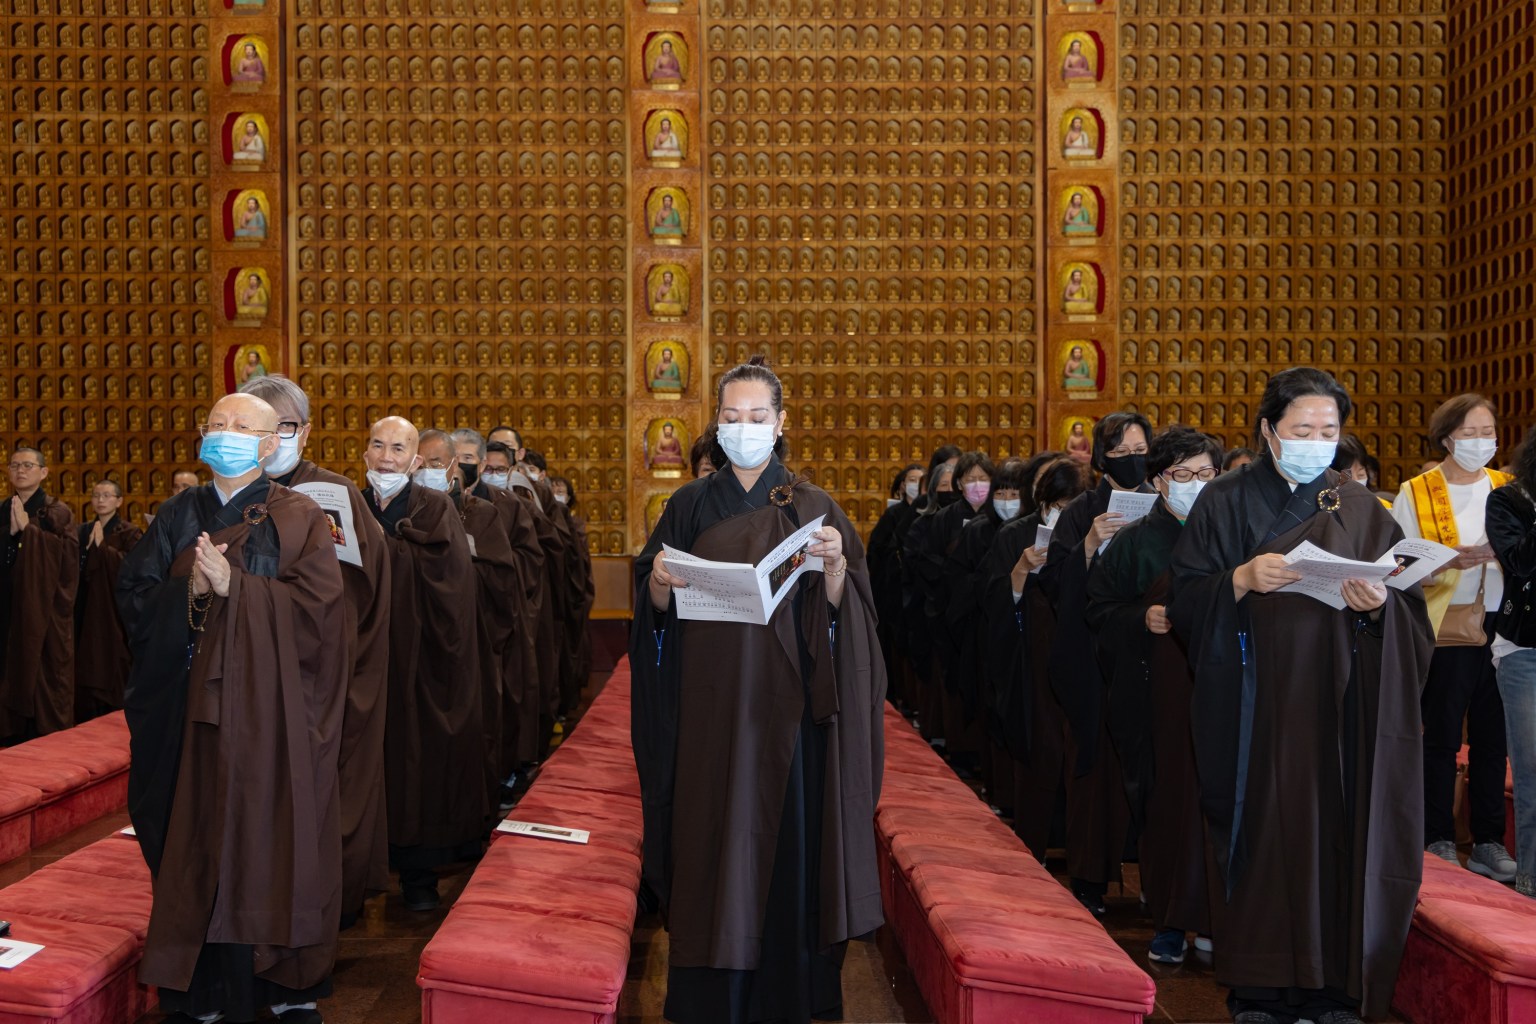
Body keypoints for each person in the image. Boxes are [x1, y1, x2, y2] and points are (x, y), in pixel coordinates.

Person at [1168, 367, 1434, 1024]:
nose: (1317, 440)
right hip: (1256, 705)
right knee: (1263, 837)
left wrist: (1377, 610)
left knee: (1338, 836)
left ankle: (1334, 987)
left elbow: (1411, 610)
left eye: (1329, 429)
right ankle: (1261, 988)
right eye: (1302, 429)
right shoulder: (1224, 499)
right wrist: (1239, 577)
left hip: (1337, 707)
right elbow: (1185, 597)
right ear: (1268, 431)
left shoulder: (1357, 505)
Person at [631, 357, 885, 1024]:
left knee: (783, 853)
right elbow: (651, 605)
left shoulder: (812, 505)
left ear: (780, 424)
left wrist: (833, 574)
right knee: (711, 846)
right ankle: (709, 996)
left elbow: (850, 611)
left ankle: (787, 991)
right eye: (732, 417)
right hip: (708, 712)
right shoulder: (687, 504)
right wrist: (659, 583)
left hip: (787, 715)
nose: (744, 428)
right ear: (716, 424)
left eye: (758, 417)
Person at [116, 392, 347, 1024]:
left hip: (264, 717)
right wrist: (186, 588)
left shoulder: (297, 517)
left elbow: (322, 615)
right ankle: (200, 988)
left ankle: (274, 984)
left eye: (241, 427)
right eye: (216, 425)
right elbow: (131, 599)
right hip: (181, 712)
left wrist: (236, 589)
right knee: (184, 841)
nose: (225, 434)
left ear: (271, 444)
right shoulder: (175, 515)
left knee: (259, 838)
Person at [243, 374, 393, 929]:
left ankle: (319, 907)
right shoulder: (233, 491)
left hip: (316, 667)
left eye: (284, 426)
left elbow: (365, 585)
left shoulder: (333, 492)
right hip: (250, 668)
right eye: (260, 425)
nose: (273, 437)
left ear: (303, 432)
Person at [1087, 426, 1223, 966]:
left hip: (1218, 691)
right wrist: (1139, 617)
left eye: (1206, 473)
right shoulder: (1135, 542)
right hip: (1155, 694)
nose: (1195, 484)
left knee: (1216, 807)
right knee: (1165, 804)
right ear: (1159, 481)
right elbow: (1097, 610)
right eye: (1182, 475)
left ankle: (1216, 919)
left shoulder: (1231, 536)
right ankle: (1168, 919)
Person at [363, 416, 485, 912]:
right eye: (378, 445)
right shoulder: (348, 504)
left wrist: (388, 549)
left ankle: (418, 877)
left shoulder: (434, 507)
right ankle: (359, 874)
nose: (386, 457)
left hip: (420, 662)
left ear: (414, 461)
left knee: (416, 763)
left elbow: (452, 582)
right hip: (363, 658)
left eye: (398, 448)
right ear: (365, 453)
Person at [1392, 394, 1516, 881]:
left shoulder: (1510, 488)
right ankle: (1437, 835)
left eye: (1489, 432)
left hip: (1504, 630)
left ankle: (1488, 840)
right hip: (1444, 627)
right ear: (1446, 437)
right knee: (1441, 737)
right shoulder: (1418, 491)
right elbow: (1398, 565)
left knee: (1493, 740)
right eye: (1470, 433)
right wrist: (1449, 558)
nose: (1481, 442)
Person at [1039, 411, 1153, 916]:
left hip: (1151, 651)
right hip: (1092, 656)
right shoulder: (1081, 510)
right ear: (1104, 455)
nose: (1132, 461)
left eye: (1140, 451)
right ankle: (1088, 876)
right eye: (1122, 452)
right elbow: (1054, 580)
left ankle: (1154, 875)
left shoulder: (1168, 502)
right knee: (1096, 763)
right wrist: (1089, 544)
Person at [982, 457, 1088, 860]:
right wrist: (1021, 572)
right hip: (1032, 662)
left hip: (1081, 659)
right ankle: (1034, 849)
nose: (1064, 512)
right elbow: (991, 603)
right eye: (1057, 503)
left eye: (1071, 503)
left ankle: (1081, 856)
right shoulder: (1014, 535)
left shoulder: (1088, 532)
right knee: (1040, 751)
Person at [418, 429, 522, 826]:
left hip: (468, 641)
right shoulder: (406, 509)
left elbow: (505, 578)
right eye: (422, 463)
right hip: (415, 643)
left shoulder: (483, 513)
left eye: (439, 464)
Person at [946, 457, 1028, 810]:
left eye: (1015, 491)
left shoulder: (1029, 530)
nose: (1008, 498)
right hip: (985, 631)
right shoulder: (978, 529)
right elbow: (957, 579)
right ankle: (996, 788)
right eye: (1003, 491)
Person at [0, 446, 78, 740]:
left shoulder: (56, 512)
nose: (20, 470)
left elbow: (68, 563)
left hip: (42, 612)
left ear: (43, 472)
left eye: (28, 465)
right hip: (7, 605)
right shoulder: (2, 509)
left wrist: (29, 532)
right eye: (15, 465)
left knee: (42, 669)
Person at [1487, 436, 1536, 898]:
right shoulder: (1509, 500)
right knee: (1532, 769)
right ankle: (1531, 880)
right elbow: (1519, 564)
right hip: (1526, 652)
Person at [73, 479, 142, 722]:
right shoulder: (82, 530)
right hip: (86, 604)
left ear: (119, 500)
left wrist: (103, 549)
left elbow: (133, 569)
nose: (100, 500)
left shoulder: (130, 532)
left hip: (114, 610)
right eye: (96, 495)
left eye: (106, 495)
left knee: (111, 656)